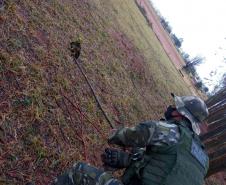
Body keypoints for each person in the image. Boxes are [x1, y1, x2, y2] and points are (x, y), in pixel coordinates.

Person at [53, 94, 209, 185]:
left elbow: (123, 136)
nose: (171, 108)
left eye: (175, 106)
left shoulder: (170, 132)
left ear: (179, 114)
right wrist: (127, 160)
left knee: (79, 171)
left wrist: (115, 135)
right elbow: (163, 169)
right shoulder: (203, 161)